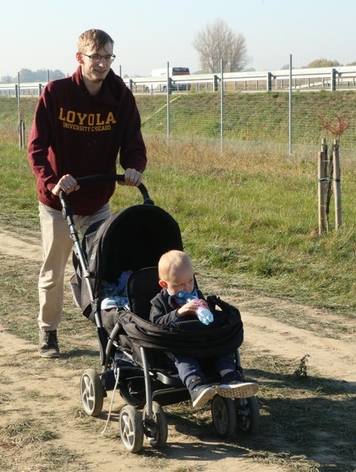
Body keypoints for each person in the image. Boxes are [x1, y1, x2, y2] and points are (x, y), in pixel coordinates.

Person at [27, 28, 147, 358]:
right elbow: (36, 147)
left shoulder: (120, 96)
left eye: (108, 57)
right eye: (96, 57)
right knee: (53, 270)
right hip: (58, 202)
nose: (103, 64)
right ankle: (48, 331)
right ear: (80, 58)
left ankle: (114, 334)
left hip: (97, 201)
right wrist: (52, 180)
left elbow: (133, 142)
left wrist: (134, 166)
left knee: (104, 270)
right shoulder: (57, 93)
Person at [150, 250, 258, 409]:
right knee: (185, 359)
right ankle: (196, 386)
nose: (187, 288)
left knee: (222, 347)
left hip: (201, 342)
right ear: (164, 285)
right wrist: (179, 312)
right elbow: (155, 323)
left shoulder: (196, 294)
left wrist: (207, 310)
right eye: (180, 284)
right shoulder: (159, 302)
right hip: (178, 346)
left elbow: (209, 320)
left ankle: (229, 377)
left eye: (190, 281)